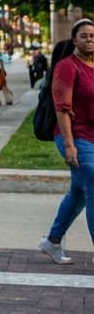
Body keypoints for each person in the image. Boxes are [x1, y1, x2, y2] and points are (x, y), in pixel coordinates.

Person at [37, 19, 94, 265]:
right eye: (84, 36)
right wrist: (69, 145)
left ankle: (52, 241)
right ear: (74, 40)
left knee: (79, 193)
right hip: (75, 137)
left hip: (91, 137)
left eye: (93, 36)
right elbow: (62, 108)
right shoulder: (67, 67)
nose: (90, 40)